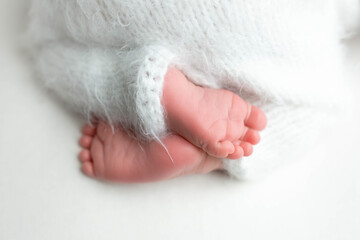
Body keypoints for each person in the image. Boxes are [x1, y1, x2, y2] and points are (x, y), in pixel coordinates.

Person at [27, 0, 359, 182]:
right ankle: (206, 152)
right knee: (321, 105)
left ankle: (153, 85)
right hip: (258, 25)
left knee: (50, 47)